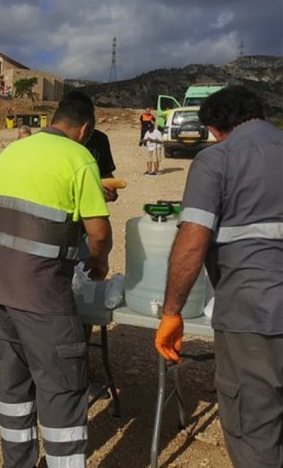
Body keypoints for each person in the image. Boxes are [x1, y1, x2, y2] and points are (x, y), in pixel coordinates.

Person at [155, 86, 282, 468]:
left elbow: (193, 240)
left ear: (215, 128)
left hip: (253, 316)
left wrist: (172, 312)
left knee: (255, 430)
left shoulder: (218, 160)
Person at [0, 100, 112, 468]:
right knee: (62, 387)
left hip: (0, 289)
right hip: (41, 294)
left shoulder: (12, 152)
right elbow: (98, 233)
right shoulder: (79, 157)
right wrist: (99, 264)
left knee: (15, 383)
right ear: (85, 129)